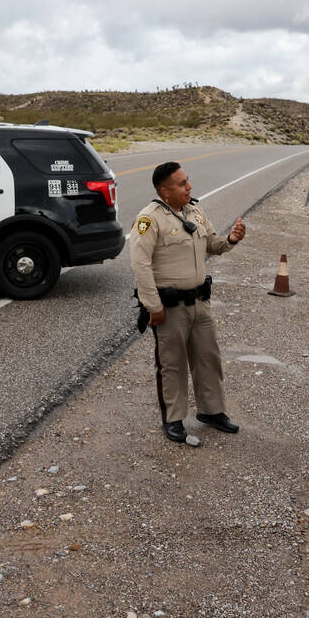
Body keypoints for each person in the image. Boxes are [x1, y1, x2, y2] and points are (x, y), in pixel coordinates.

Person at [131, 162, 246, 444]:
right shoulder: (149, 219)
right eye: (182, 184)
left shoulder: (194, 211)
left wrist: (231, 239)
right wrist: (152, 306)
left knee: (208, 358)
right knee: (172, 364)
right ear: (164, 191)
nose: (189, 187)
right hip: (169, 308)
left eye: (188, 181)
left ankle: (211, 412)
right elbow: (140, 264)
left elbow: (213, 245)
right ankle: (173, 419)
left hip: (199, 303)